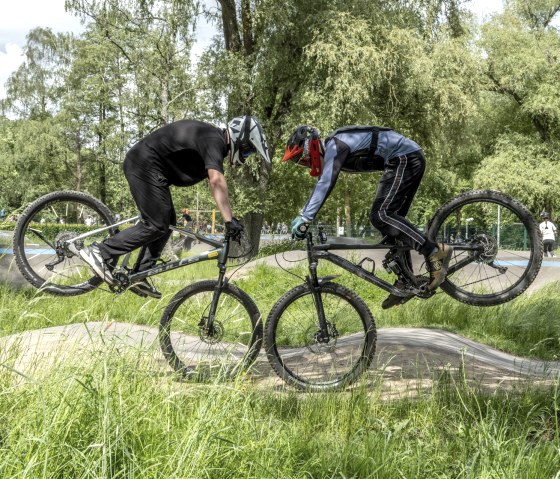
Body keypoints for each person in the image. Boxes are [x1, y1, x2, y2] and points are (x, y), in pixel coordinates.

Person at [79, 116, 270, 298]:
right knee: (156, 223)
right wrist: (230, 221)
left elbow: (215, 185)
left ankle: (140, 274)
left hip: (153, 170)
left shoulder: (212, 141)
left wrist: (230, 218)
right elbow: (216, 181)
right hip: (143, 163)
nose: (245, 156)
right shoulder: (215, 140)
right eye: (247, 151)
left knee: (168, 222)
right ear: (239, 139)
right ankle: (101, 251)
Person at [283, 124, 453, 309]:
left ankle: (433, 251)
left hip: (404, 159)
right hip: (404, 159)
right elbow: (322, 183)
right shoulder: (336, 149)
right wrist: (305, 214)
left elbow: (325, 183)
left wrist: (306, 218)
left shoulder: (334, 145)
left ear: (311, 149)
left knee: (380, 215)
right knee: (391, 229)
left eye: (302, 160)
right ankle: (407, 279)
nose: (305, 165)